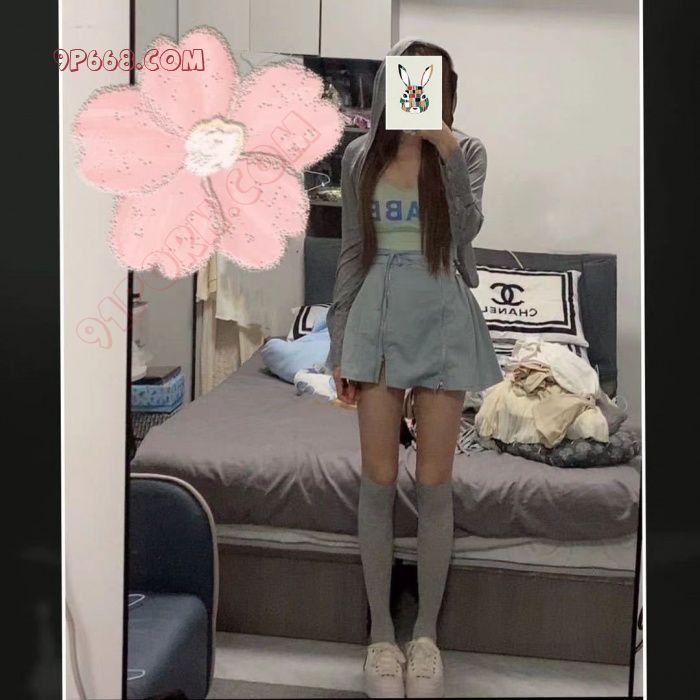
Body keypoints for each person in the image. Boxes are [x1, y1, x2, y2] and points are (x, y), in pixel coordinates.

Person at [325, 37, 501, 698]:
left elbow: (466, 232)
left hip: (443, 318)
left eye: (431, 82)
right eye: (407, 79)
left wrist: (444, 146)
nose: (417, 91)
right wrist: (339, 342)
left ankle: (425, 637)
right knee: (376, 481)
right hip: (375, 318)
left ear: (445, 89)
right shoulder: (360, 157)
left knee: (434, 484)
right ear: (390, 84)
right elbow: (351, 251)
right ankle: (380, 636)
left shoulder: (466, 151)